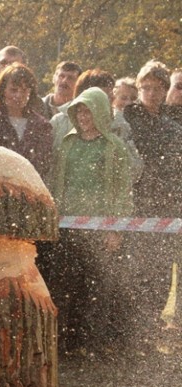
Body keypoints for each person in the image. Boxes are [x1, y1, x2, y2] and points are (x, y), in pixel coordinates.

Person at [49, 87, 134, 349]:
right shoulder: (67, 142)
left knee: (96, 288)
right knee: (64, 285)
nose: (84, 116)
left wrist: (116, 229)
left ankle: (92, 344)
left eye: (88, 110)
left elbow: (123, 189)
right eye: (79, 111)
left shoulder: (114, 146)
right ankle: (63, 342)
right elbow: (56, 182)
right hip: (67, 228)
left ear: (100, 111)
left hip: (100, 230)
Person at [124, 60, 182, 335]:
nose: (151, 93)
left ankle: (153, 326)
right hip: (137, 202)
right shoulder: (128, 117)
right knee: (137, 268)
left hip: (167, 203)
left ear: (165, 90)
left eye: (158, 88)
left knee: (161, 271)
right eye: (146, 87)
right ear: (138, 88)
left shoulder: (172, 125)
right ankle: (135, 327)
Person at [0, 62, 53, 181]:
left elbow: (42, 164)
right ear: (3, 91)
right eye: (13, 90)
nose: (19, 95)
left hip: (29, 188)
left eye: (24, 91)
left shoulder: (41, 125)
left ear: (30, 93)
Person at [0, 45, 45, 115]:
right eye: (3, 63)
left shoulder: (36, 104)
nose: (7, 68)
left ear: (23, 69)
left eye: (13, 64)